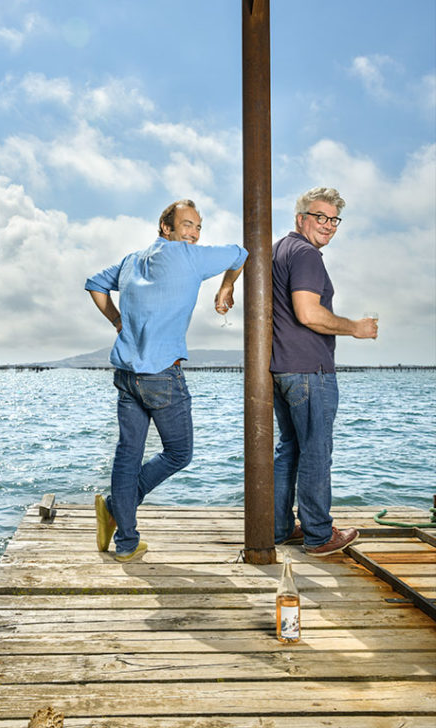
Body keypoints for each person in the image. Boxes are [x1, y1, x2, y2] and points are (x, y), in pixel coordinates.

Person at [215, 186, 376, 556]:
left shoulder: (278, 250)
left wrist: (227, 286)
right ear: (301, 218)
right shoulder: (306, 255)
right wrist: (356, 327)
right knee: (317, 452)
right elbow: (308, 313)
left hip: (284, 370)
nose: (329, 225)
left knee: (291, 450)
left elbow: (241, 257)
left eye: (334, 219)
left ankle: (279, 528)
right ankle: (320, 535)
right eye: (320, 217)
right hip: (309, 370)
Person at [86, 199, 247, 561]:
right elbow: (241, 253)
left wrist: (116, 320)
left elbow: (95, 284)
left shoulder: (132, 260)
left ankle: (126, 542)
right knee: (179, 452)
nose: (194, 233)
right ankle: (115, 506)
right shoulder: (189, 257)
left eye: (199, 226)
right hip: (161, 375)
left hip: (127, 375)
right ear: (166, 227)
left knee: (128, 454)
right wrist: (226, 289)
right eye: (187, 224)